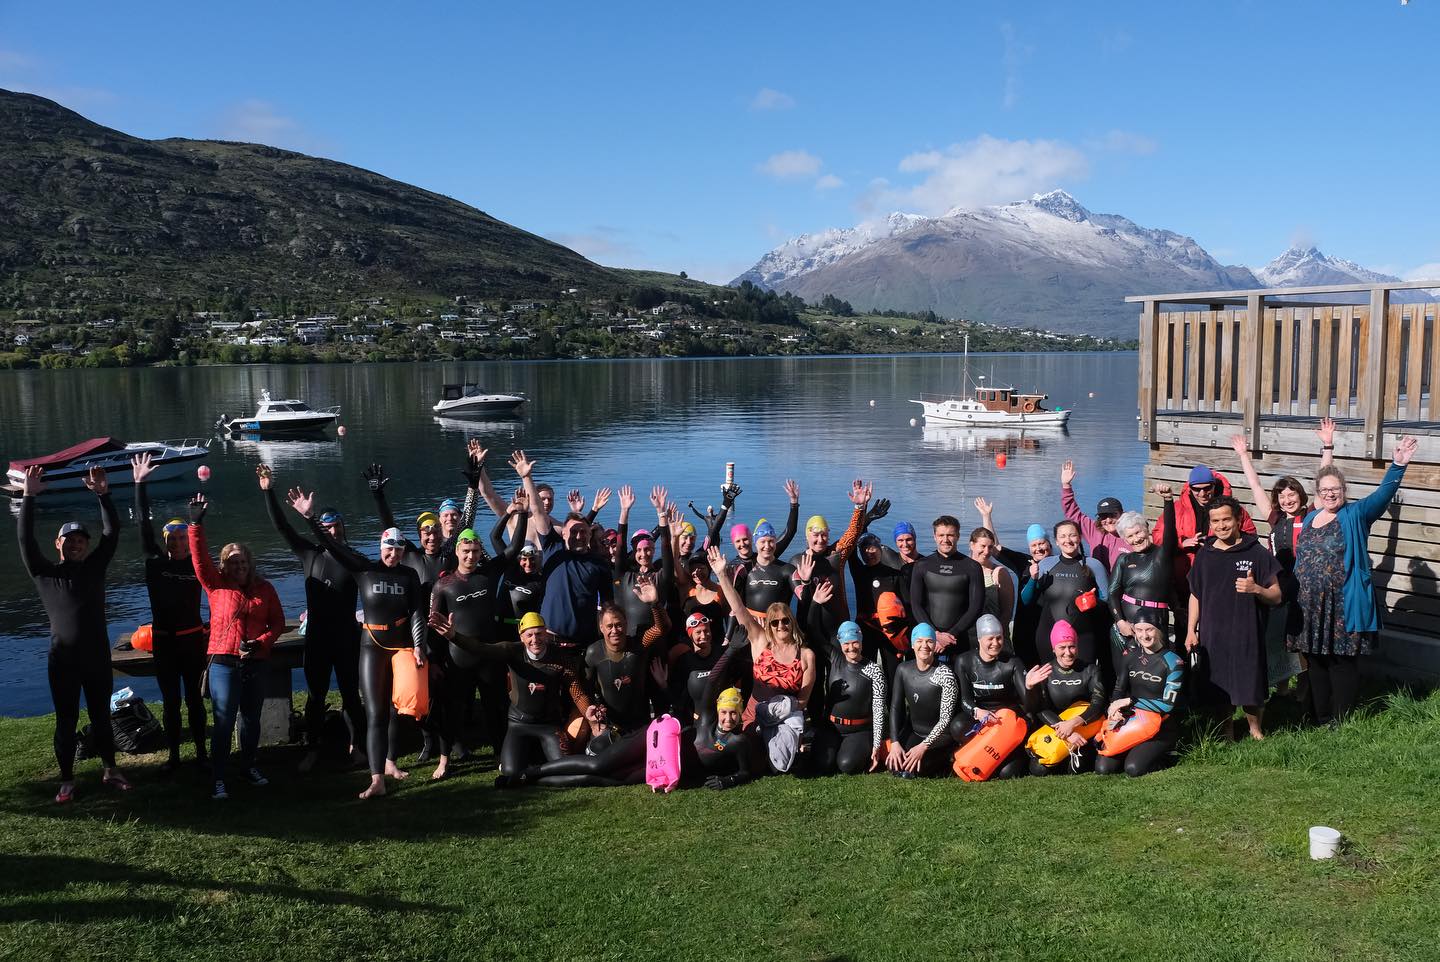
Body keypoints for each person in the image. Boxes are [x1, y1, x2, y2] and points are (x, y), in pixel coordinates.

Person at [17, 465, 132, 803]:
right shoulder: (44, 573)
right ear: (59, 544)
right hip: (63, 660)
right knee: (65, 720)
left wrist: (103, 495)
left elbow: (112, 533)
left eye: (81, 541)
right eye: (70, 541)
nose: (77, 545)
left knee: (101, 716)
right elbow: (25, 539)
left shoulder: (95, 569)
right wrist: (28, 496)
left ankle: (111, 769)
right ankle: (66, 780)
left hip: (96, 657)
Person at [299, 499, 428, 798]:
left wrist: (419, 645)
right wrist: (310, 518)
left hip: (402, 647)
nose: (393, 553)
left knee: (399, 709)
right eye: (388, 547)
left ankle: (391, 762)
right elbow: (330, 544)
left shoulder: (409, 576)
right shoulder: (363, 569)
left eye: (398, 549)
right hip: (371, 646)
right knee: (375, 713)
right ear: (381, 547)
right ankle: (376, 779)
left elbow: (417, 612)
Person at [1293, 435, 1417, 726]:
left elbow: (1381, 497)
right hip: (1311, 605)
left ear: (1344, 490)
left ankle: (1341, 719)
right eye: (1325, 490)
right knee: (1316, 660)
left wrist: (1397, 465)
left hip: (1343, 603)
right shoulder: (1311, 518)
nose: (1330, 494)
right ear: (1318, 493)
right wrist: (1326, 447)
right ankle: (1320, 716)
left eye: (1335, 489)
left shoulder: (1356, 514)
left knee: (1341, 662)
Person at [257, 463, 366, 773]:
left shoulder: (355, 559)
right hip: (318, 638)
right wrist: (268, 492)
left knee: (351, 695)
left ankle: (356, 747)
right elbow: (282, 528)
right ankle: (312, 748)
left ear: (343, 528)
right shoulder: (310, 555)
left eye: (337, 526)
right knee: (316, 696)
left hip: (346, 638)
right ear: (321, 528)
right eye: (327, 526)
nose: (333, 531)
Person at [510, 589, 669, 787]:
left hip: (639, 727)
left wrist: (655, 603)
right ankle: (534, 773)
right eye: (609, 626)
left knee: (618, 770)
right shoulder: (594, 653)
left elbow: (661, 628)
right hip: (609, 728)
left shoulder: (638, 645)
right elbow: (583, 691)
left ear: (626, 624)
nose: (615, 630)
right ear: (601, 627)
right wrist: (592, 717)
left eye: (619, 625)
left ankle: (533, 776)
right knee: (601, 765)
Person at [187, 493, 285, 801]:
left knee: (251, 718)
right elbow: (199, 558)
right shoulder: (215, 585)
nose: (239, 566)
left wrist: (261, 643)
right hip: (223, 661)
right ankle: (219, 777)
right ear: (224, 566)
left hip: (255, 661)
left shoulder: (265, 589)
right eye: (232, 562)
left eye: (243, 561)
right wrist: (195, 524)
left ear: (250, 563)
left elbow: (278, 624)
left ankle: (247, 765)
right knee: (224, 719)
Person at [1231, 424, 1335, 691]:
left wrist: (1328, 446)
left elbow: (1324, 480)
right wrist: (1243, 454)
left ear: (1301, 496)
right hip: (1278, 584)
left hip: (1306, 585)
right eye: (1282, 496)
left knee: (1300, 635)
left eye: (1292, 495)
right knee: (1276, 635)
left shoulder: (1311, 515)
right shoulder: (1274, 518)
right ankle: (1281, 686)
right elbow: (1254, 485)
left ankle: (1304, 687)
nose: (1287, 499)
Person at [428, 516, 528, 779]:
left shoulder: (489, 573)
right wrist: (435, 661)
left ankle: (500, 754)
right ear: (458, 552)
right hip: (458, 658)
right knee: (453, 709)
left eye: (474, 551)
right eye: (466, 551)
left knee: (495, 706)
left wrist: (524, 513)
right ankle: (444, 760)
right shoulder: (444, 585)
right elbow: (435, 628)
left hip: (489, 654)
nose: (471, 556)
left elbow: (515, 546)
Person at [705, 546, 816, 775]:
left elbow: (803, 700)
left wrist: (780, 714)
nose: (780, 626)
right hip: (755, 711)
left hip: (785, 715)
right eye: (774, 622)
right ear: (769, 626)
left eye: (785, 621)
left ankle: (788, 750)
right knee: (735, 753)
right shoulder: (761, 643)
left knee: (777, 767)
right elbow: (738, 608)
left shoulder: (805, 655)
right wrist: (722, 575)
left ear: (791, 622)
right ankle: (716, 754)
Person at [1185, 496, 1283, 740]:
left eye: (1226, 519)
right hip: (1213, 633)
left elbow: (1277, 596)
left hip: (1246, 631)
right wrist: (1190, 630)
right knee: (1218, 684)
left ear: (1238, 519)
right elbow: (1195, 595)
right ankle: (1226, 729)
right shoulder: (1205, 554)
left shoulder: (1256, 553)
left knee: (1250, 681)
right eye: (1215, 521)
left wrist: (1256, 589)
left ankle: (1255, 729)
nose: (1221, 525)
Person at [131, 452, 206, 773]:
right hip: (164, 642)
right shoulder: (155, 563)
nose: (176, 542)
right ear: (164, 542)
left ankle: (202, 753)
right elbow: (143, 525)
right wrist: (140, 484)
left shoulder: (196, 563)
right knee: (172, 702)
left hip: (192, 641)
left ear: (187, 542)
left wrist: (197, 521)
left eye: (180, 538)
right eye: (171, 539)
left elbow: (199, 541)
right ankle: (175, 756)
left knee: (195, 700)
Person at [470, 613, 591, 787]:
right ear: (521, 637)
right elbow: (481, 649)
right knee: (510, 772)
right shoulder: (512, 651)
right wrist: (452, 636)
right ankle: (530, 769)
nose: (535, 639)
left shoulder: (560, 657)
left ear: (546, 634)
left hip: (549, 725)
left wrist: (588, 711)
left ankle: (530, 773)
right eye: (529, 634)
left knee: (565, 768)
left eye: (539, 633)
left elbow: (577, 693)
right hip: (518, 724)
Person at [517, 451, 613, 661]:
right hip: (549, 641)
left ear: (589, 535)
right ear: (563, 532)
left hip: (585, 643)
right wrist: (527, 478)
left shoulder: (600, 565)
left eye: (583, 532)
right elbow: (538, 510)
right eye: (573, 531)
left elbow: (607, 606)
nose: (578, 536)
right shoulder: (552, 547)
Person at [949, 614, 1040, 780]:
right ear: (979, 639)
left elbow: (1030, 706)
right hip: (983, 718)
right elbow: (964, 699)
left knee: (1007, 773)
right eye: (990, 639)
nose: (995, 643)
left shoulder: (1012, 662)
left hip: (1006, 720)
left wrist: (1029, 687)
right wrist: (978, 712)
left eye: (999, 638)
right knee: (957, 726)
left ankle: (1009, 754)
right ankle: (977, 753)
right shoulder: (964, 661)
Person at [1096, 617, 1185, 777]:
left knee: (1133, 768)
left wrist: (1131, 701)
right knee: (1103, 768)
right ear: (1134, 631)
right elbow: (1119, 688)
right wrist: (1114, 708)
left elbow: (1168, 705)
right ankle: (1135, 750)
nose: (1144, 635)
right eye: (1139, 630)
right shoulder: (1130, 656)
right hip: (1133, 720)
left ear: (1158, 631)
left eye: (1149, 629)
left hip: (1161, 727)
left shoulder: (1173, 661)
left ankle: (1165, 755)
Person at [1023, 520, 1109, 670]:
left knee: (1085, 681)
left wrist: (1093, 602)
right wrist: (1032, 579)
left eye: (1072, 535)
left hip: (1083, 636)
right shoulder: (1045, 565)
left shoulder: (1094, 565)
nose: (1068, 540)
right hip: (1047, 635)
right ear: (1056, 541)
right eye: (1062, 536)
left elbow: (1107, 602)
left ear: (1080, 537)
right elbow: (1026, 600)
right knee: (1049, 683)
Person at [1025, 621, 1107, 776]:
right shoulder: (1045, 672)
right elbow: (1038, 709)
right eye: (1062, 647)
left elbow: (1098, 705)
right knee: (1038, 769)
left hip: (1083, 728)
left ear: (1077, 646)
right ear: (1053, 649)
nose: (1068, 652)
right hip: (1055, 727)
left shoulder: (1090, 670)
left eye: (1072, 646)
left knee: (1074, 768)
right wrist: (1029, 688)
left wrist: (1073, 724)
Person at [1107, 485, 1178, 657]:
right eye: (1130, 536)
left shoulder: (1162, 554)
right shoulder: (1124, 560)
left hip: (1155, 622)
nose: (1136, 539)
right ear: (1125, 539)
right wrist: (1120, 621)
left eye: (1138, 532)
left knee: (1155, 666)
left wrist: (1168, 500)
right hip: (1127, 626)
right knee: (1126, 671)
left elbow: (1170, 532)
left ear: (1146, 529)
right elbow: (1112, 593)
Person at [977, 499, 1050, 667]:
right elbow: (995, 549)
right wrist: (987, 516)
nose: (1038, 548)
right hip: (1025, 629)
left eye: (1042, 543)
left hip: (1049, 628)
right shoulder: (1024, 562)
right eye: (1034, 545)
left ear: (1049, 543)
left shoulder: (1059, 562)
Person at [884, 623, 958, 778]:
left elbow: (945, 719)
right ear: (912, 644)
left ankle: (948, 756)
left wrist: (923, 747)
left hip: (941, 737)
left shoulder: (945, 674)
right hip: (916, 732)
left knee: (914, 770)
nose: (924, 646)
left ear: (934, 644)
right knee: (895, 766)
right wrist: (895, 742)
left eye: (929, 641)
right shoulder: (903, 670)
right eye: (919, 641)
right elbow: (896, 707)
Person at [908, 515, 986, 661]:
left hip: (960, 639)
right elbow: (916, 604)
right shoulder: (922, 565)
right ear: (934, 537)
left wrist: (952, 634)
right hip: (930, 640)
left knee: (959, 682)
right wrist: (935, 635)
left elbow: (976, 607)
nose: (945, 539)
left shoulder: (972, 567)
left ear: (957, 536)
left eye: (950, 535)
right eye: (941, 535)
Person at [814, 621, 886, 775]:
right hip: (831, 728)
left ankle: (857, 750)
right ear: (840, 644)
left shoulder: (874, 670)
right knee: (822, 764)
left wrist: (876, 745)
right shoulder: (835, 659)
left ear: (861, 642)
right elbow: (814, 631)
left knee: (847, 765)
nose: (851, 648)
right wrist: (815, 603)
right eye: (846, 643)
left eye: (855, 643)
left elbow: (878, 710)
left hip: (858, 731)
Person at [1059, 459, 1129, 571]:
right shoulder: (1094, 531)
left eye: (1113, 514)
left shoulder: (1132, 534)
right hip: (1099, 584)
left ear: (1122, 514)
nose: (1108, 520)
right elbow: (1072, 512)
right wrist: (1066, 485)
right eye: (1103, 516)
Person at [668, 611, 726, 723]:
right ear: (690, 635)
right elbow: (678, 698)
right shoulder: (685, 661)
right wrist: (663, 684)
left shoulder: (721, 653)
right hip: (697, 719)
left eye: (706, 631)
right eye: (698, 632)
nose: (703, 636)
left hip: (722, 717)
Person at [693, 686, 754, 790]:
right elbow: (711, 684)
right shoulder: (706, 722)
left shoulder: (738, 740)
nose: (728, 718)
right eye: (724, 712)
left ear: (740, 714)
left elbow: (745, 772)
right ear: (718, 712)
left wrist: (728, 780)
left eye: (733, 713)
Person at [966, 526, 1016, 647]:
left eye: (990, 547)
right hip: (968, 637)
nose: (987, 551)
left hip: (994, 639)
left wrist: (994, 639)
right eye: (982, 546)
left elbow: (1007, 612)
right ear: (972, 545)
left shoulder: (999, 572)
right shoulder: (962, 570)